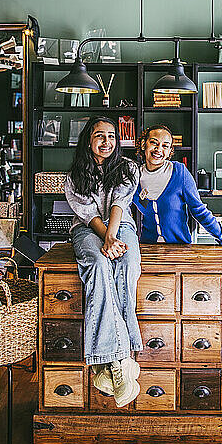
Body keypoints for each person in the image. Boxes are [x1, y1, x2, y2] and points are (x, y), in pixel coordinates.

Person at [65, 116, 142, 408]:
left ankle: (106, 365)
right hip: (86, 229)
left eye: (111, 136)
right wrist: (106, 239)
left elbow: (119, 204)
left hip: (121, 226)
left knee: (127, 265)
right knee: (97, 266)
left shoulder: (128, 168)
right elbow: (88, 215)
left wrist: (113, 237)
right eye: (100, 136)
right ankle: (123, 360)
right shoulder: (75, 175)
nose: (106, 141)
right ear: (89, 140)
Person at [133, 124, 222, 246]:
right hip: (147, 247)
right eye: (154, 143)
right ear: (143, 144)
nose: (159, 149)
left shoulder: (179, 173)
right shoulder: (134, 176)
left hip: (179, 247)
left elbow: (199, 211)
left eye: (165, 146)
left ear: (169, 151)